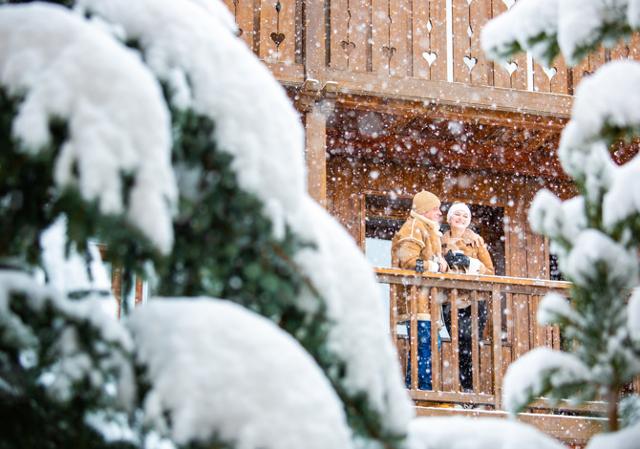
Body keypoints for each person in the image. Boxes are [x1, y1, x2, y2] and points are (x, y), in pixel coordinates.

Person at [391, 191, 448, 390]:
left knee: (430, 345)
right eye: (435, 209)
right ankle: (422, 390)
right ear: (424, 210)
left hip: (427, 301)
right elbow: (408, 260)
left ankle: (416, 387)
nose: (440, 213)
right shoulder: (414, 227)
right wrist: (431, 266)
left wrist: (441, 263)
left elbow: (432, 260)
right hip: (416, 300)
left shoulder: (428, 229)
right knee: (426, 346)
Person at [441, 202, 494, 391]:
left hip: (474, 300)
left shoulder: (477, 241)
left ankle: (470, 389)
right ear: (449, 219)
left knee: (471, 344)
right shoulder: (439, 241)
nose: (461, 219)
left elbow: (490, 272)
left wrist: (470, 262)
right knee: (458, 344)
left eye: (465, 216)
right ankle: (462, 390)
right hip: (450, 300)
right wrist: (444, 264)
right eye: (457, 214)